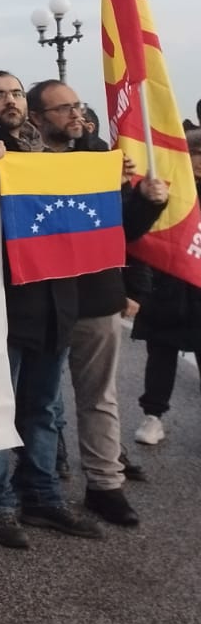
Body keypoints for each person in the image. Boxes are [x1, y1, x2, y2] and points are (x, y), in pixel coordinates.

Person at [0, 71, 104, 547]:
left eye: (16, 93)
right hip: (0, 307)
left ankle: (42, 497)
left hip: (56, 304)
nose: (9, 101)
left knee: (40, 409)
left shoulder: (54, 155)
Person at [27, 79, 168, 526]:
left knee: (100, 399)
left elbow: (122, 230)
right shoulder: (17, 165)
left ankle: (106, 486)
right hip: (41, 300)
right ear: (37, 118)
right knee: (39, 402)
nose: (75, 114)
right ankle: (38, 487)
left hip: (96, 298)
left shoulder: (100, 162)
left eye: (77, 105)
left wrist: (146, 203)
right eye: (62, 108)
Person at [129, 127, 201, 445]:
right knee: (161, 356)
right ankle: (153, 417)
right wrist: (141, 290)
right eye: (195, 157)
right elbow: (145, 239)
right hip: (166, 285)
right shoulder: (166, 190)